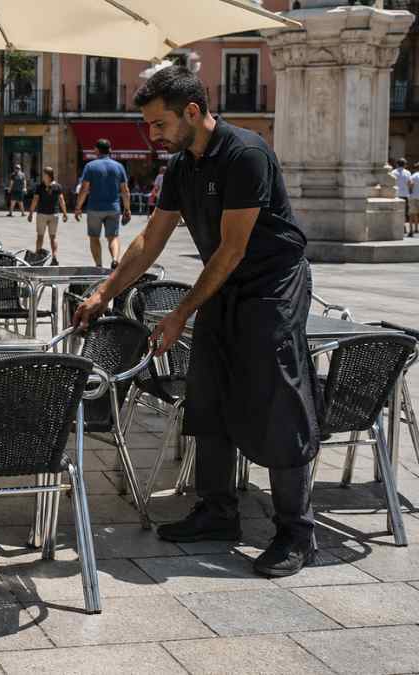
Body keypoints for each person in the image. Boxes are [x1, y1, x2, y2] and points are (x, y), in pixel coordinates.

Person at [74, 65, 321, 578]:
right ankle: (217, 512)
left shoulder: (246, 154)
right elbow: (149, 240)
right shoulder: (184, 166)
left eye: (158, 124)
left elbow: (232, 249)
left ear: (192, 112)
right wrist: (105, 290)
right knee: (207, 391)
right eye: (148, 126)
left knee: (276, 394)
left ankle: (296, 532)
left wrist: (181, 314)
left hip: (271, 284)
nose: (152, 135)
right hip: (225, 283)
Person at [75, 138, 132, 268]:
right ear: (109, 150)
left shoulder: (90, 166)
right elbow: (125, 190)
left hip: (95, 208)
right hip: (113, 207)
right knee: (113, 237)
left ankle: (99, 265)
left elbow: (84, 189)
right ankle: (115, 260)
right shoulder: (119, 166)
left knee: (94, 237)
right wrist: (127, 209)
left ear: (96, 150)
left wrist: (78, 207)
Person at [27, 167, 68, 265]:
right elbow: (61, 200)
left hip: (45, 214)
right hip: (52, 214)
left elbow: (35, 200)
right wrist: (65, 213)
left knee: (45, 237)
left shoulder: (40, 186)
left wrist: (31, 213)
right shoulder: (57, 186)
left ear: (48, 175)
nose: (43, 176)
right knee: (47, 237)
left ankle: (43, 258)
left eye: (44, 174)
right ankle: (49, 257)